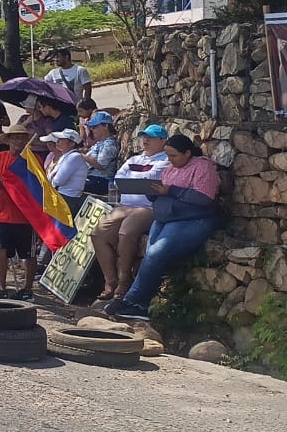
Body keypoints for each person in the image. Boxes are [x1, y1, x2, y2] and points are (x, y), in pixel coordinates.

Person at [110, 134, 221, 322]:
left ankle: (133, 300)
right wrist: (151, 191)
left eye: (173, 156)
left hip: (190, 220)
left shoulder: (203, 167)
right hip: (164, 219)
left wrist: (171, 191)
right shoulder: (171, 168)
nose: (169, 160)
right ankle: (140, 303)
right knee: (150, 255)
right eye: (167, 156)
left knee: (156, 254)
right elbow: (162, 192)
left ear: (187, 153)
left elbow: (204, 197)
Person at [89, 124, 170, 309]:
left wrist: (133, 180)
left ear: (163, 141)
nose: (145, 140)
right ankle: (110, 281)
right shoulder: (135, 158)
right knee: (97, 234)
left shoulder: (165, 160)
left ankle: (124, 282)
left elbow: (150, 178)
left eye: (150, 137)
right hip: (125, 205)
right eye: (143, 136)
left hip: (147, 207)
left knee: (126, 234)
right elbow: (119, 178)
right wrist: (138, 181)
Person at [0, 123, 39, 300]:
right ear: (9, 140)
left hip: (24, 214)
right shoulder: (1, 157)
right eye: (15, 137)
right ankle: (1, 287)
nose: (18, 141)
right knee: (0, 250)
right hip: (1, 211)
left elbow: (38, 185)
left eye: (22, 137)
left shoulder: (32, 159)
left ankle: (27, 289)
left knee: (28, 254)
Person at [42, 128, 88, 216]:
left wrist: (53, 178)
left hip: (68, 198)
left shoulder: (74, 157)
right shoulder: (65, 156)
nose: (58, 142)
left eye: (62, 140)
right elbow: (50, 177)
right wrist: (53, 177)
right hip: (60, 195)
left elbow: (58, 180)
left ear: (72, 143)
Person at [81, 111, 119, 196]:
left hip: (101, 181)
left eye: (94, 127)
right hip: (92, 178)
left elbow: (100, 165)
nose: (92, 129)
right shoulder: (99, 143)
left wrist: (83, 156)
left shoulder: (109, 144)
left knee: (73, 185)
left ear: (105, 126)